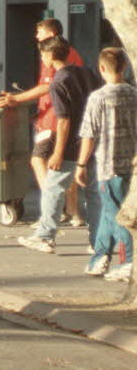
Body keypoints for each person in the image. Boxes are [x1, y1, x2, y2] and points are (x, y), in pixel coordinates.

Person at [0, 19, 88, 227]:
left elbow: (47, 86)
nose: (36, 36)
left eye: (40, 32)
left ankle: (51, 209)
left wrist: (16, 99)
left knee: (38, 160)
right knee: (65, 165)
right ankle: (72, 212)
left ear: (51, 34)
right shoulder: (73, 54)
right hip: (69, 117)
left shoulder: (51, 58)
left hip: (52, 118)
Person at [18, 36, 102, 254]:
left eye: (43, 54)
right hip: (93, 142)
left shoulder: (58, 82)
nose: (42, 59)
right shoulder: (87, 73)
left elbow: (64, 120)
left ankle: (45, 236)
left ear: (50, 55)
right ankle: (98, 241)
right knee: (93, 194)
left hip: (71, 144)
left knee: (52, 189)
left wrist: (58, 152)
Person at [76, 47, 136, 282]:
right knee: (109, 212)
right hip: (132, 164)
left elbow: (89, 134)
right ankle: (100, 256)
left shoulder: (98, 97)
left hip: (109, 165)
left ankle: (127, 260)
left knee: (117, 214)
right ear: (125, 66)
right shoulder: (134, 94)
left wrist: (81, 164)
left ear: (101, 68)